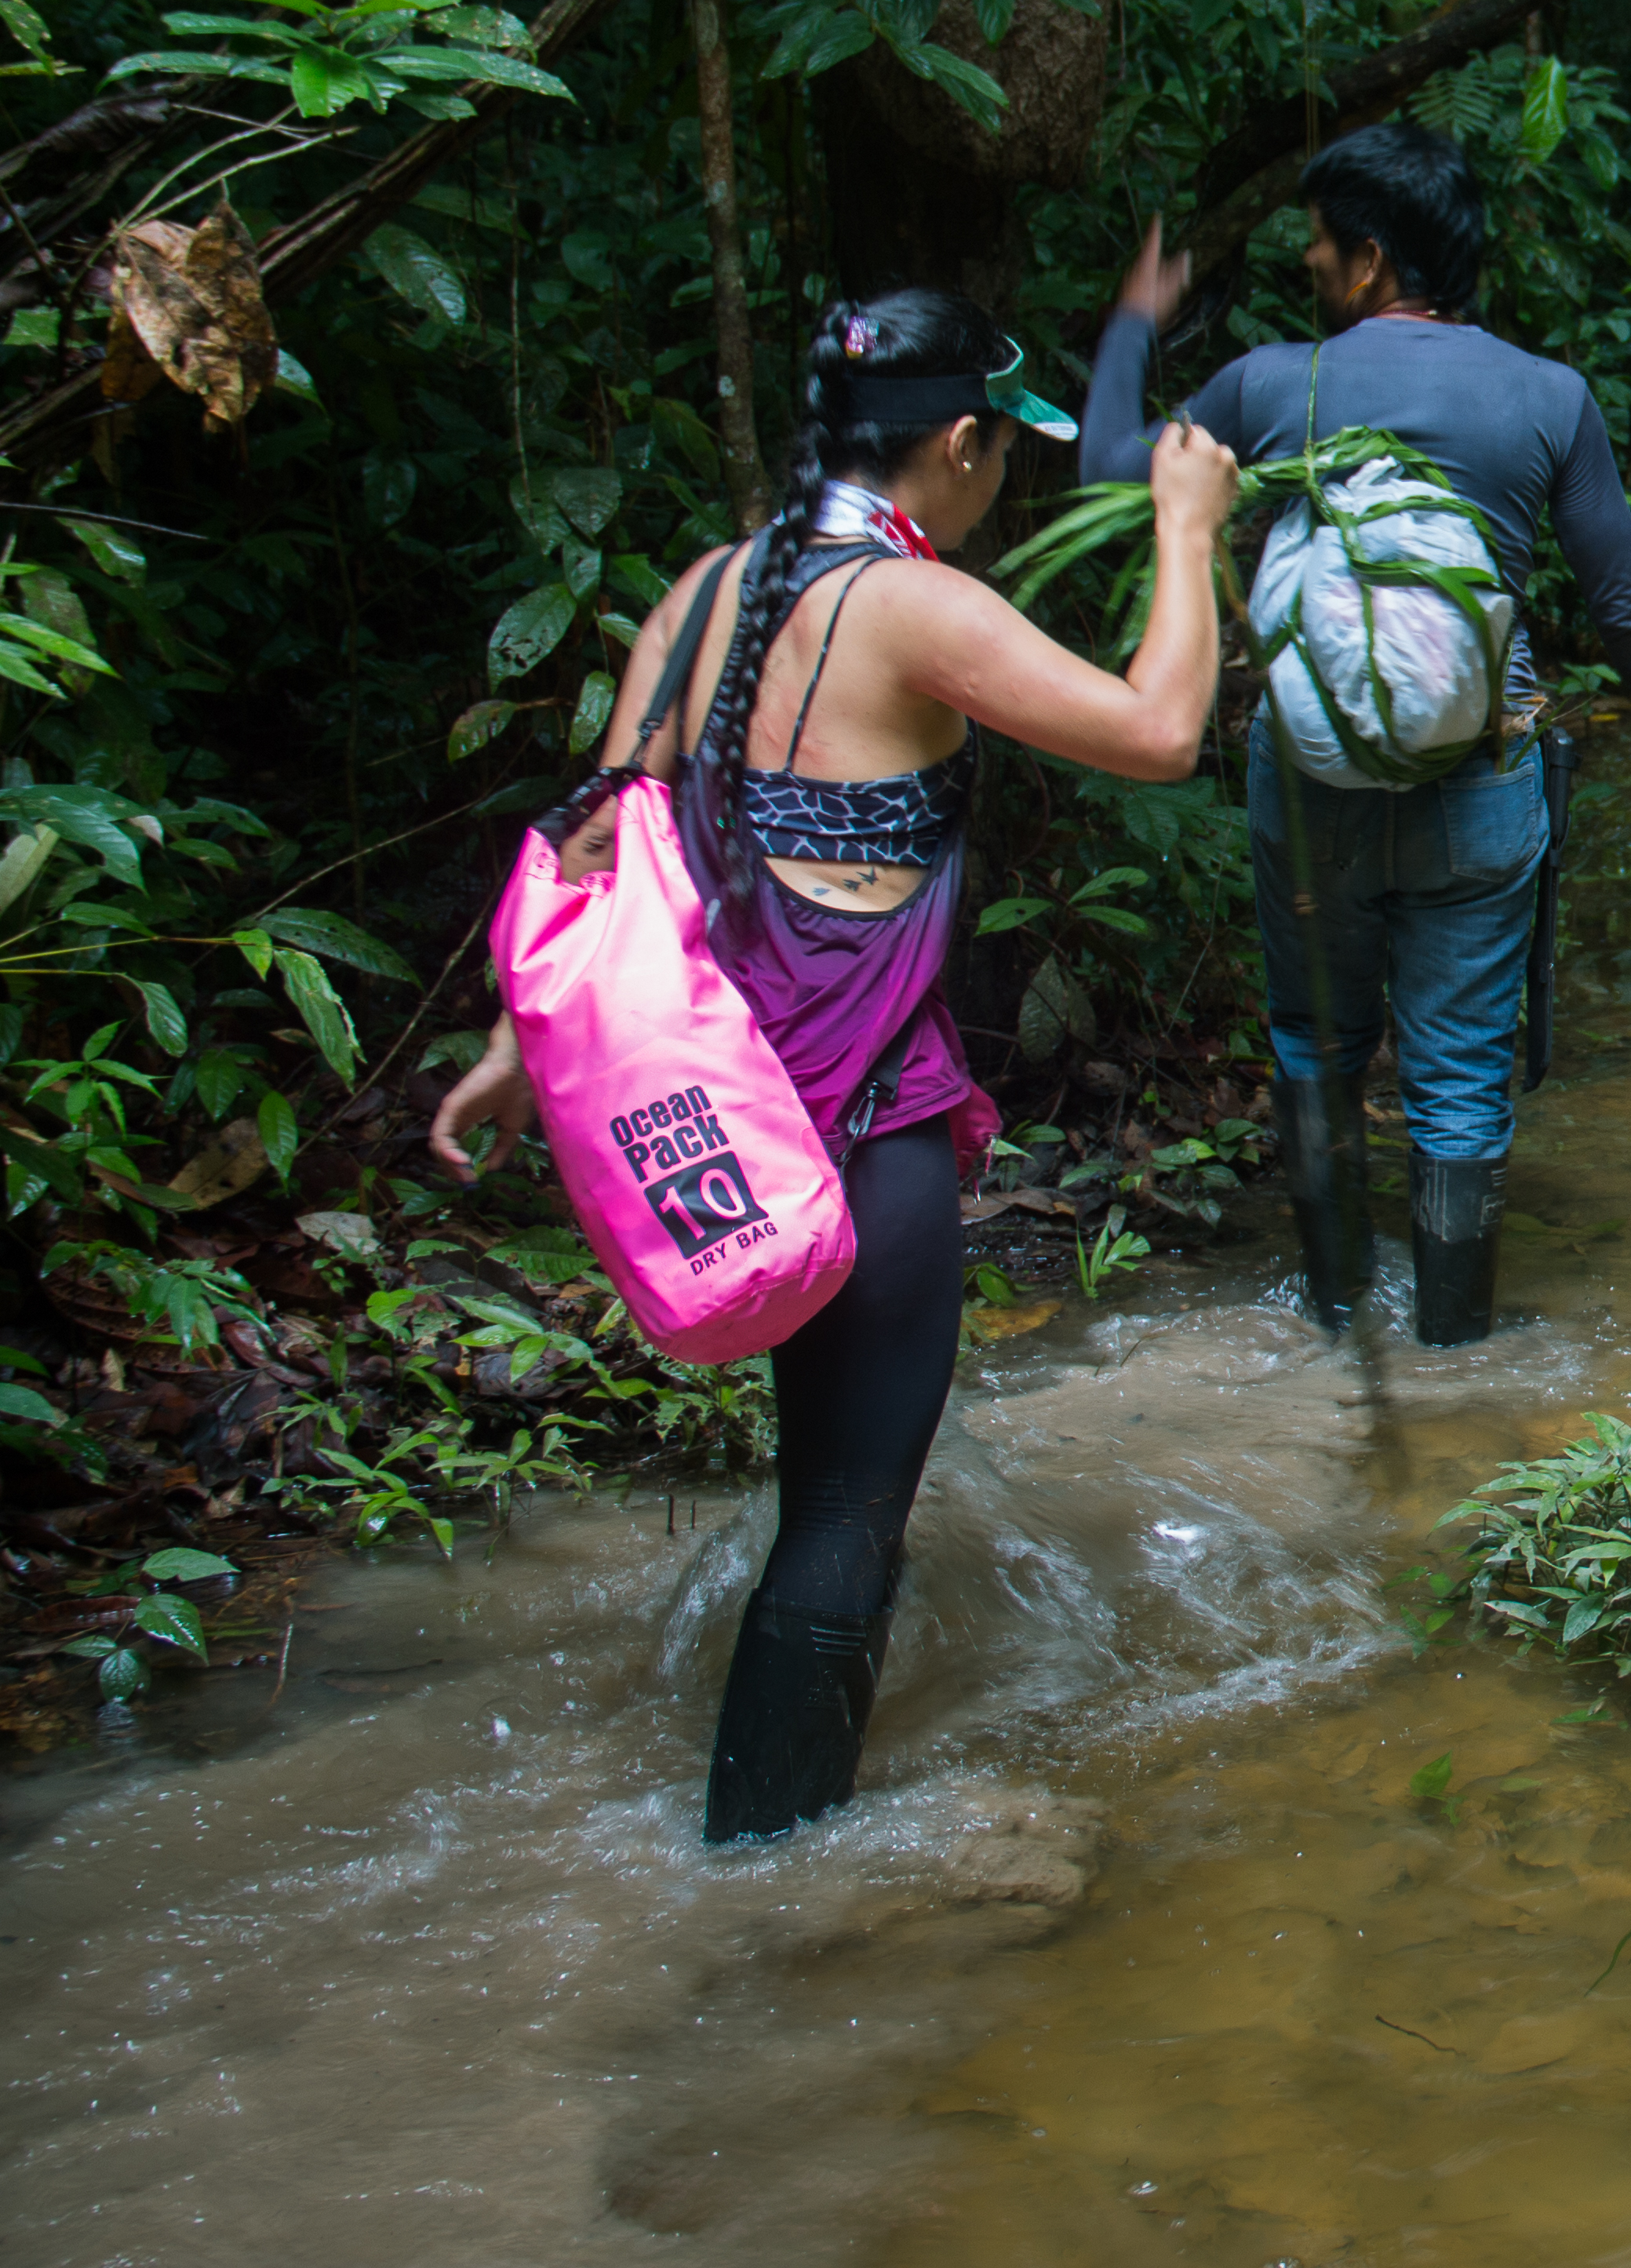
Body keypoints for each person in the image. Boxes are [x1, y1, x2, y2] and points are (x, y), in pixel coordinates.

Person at [429, 292, 1240, 1842]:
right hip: (865, 1129)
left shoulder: (708, 589)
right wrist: (1188, 531)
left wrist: (510, 1056)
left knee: (819, 1504)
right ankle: (767, 1875)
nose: (1000, 476)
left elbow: (609, 843)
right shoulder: (915, 608)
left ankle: (763, 1836)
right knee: (848, 1528)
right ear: (957, 440)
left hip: (725, 1122)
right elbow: (1159, 732)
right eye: (1000, 449)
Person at [1076, 120, 1631, 1348]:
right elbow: (1626, 602)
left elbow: (1108, 472)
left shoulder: (1271, 386)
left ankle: (1331, 1318)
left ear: (1372, 261)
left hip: (1308, 787)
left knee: (1315, 1039)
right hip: (1483, 787)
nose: (1312, 268)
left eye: (1323, 248)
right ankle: (1455, 1361)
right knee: (1461, 1073)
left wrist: (1131, 327)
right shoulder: (1548, 397)